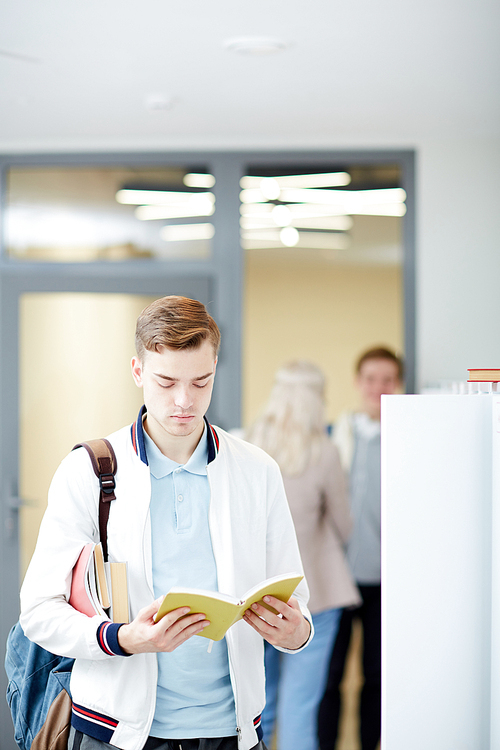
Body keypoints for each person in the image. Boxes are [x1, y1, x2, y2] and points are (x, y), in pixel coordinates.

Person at [20, 295, 313, 750]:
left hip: (233, 734)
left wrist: (296, 633)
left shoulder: (257, 471)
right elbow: (39, 612)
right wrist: (123, 638)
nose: (184, 401)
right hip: (115, 733)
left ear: (216, 365)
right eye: (166, 381)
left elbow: (298, 604)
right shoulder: (89, 471)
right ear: (137, 371)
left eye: (201, 381)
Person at [245, 361, 360, 750]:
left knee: (260, 704)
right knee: (301, 706)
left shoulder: (247, 446)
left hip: (257, 594)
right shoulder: (324, 452)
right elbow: (346, 526)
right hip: (317, 592)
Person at [318, 346, 403, 750]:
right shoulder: (336, 436)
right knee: (329, 677)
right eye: (371, 379)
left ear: (398, 384)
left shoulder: (409, 439)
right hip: (337, 581)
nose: (378, 388)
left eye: (387, 380)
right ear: (358, 383)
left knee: (378, 676)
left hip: (385, 581)